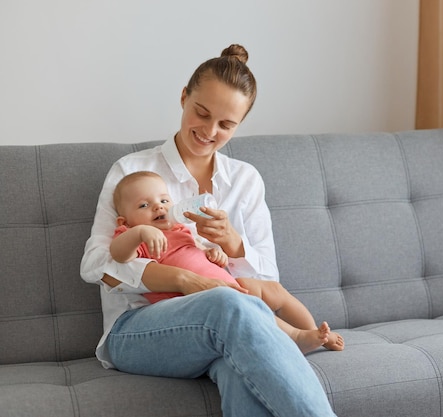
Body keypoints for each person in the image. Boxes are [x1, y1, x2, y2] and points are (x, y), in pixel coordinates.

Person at [80, 44, 337, 416]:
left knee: (237, 367)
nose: (209, 131)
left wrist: (234, 245)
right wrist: (183, 280)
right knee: (228, 306)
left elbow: (266, 282)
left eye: (226, 124)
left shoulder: (245, 180)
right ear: (184, 98)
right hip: (135, 328)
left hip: (225, 326)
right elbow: (94, 265)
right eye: (201, 113)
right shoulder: (132, 171)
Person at [110, 170, 344, 353]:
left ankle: (314, 332)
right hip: (191, 302)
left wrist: (215, 254)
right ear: (125, 220)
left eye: (164, 200)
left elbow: (198, 252)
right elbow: (119, 255)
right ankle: (294, 337)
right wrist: (140, 233)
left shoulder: (181, 229)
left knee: (272, 290)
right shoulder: (136, 236)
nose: (158, 207)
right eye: (144, 205)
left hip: (226, 282)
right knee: (245, 304)